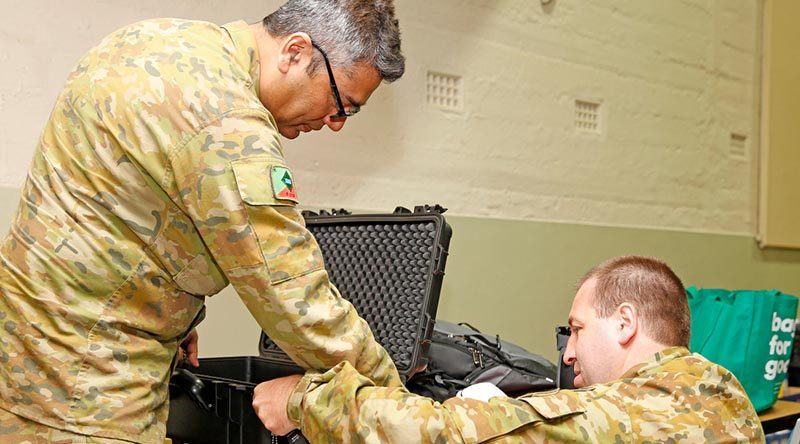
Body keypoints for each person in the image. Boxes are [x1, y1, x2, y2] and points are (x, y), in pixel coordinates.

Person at [0, 1, 405, 442]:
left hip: (23, 353)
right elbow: (293, 296)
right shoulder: (228, 122)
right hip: (86, 389)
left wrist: (175, 316)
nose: (336, 124)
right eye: (342, 103)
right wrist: (396, 398)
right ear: (295, 52)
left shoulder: (150, 40)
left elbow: (120, 210)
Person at [255, 255, 765, 443]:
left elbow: (441, 433)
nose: (567, 354)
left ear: (626, 323)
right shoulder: (727, 394)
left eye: (578, 329)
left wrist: (303, 399)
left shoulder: (624, 414)